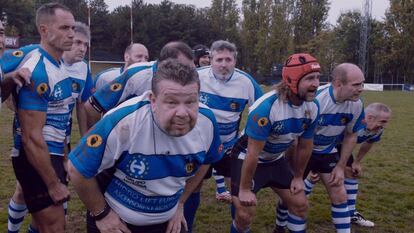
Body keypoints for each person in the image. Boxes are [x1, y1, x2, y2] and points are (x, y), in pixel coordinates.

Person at [68, 59, 223, 233]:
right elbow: (76, 169)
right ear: (153, 100)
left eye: (190, 102)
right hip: (118, 222)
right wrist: (101, 214)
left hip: (167, 222)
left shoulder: (207, 122)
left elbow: (206, 161)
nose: (182, 113)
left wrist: (181, 202)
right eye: (171, 102)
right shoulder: (122, 122)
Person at [7, 21, 94, 233]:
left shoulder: (84, 69)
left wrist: (84, 140)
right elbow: (12, 96)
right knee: (26, 193)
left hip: (60, 141)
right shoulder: (43, 61)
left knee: (51, 210)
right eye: (78, 42)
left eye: (86, 44)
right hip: (33, 139)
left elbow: (81, 105)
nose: (82, 48)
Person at [231, 53, 320, 233]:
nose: (316, 84)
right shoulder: (266, 107)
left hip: (275, 159)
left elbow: (305, 145)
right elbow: (252, 153)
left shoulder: (313, 106)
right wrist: (245, 188)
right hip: (247, 158)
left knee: (300, 205)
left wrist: (297, 177)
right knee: (244, 215)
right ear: (291, 80)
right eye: (310, 78)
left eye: (318, 78)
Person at [184, 40, 263, 232]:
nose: (224, 64)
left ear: (235, 61)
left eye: (229, 59)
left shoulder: (246, 82)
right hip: (199, 146)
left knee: (239, 195)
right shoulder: (196, 77)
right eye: (219, 59)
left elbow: (262, 112)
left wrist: (245, 139)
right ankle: (186, 227)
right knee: (192, 189)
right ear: (211, 60)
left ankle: (239, 227)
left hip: (229, 148)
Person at [10, 3, 75, 233]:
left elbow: (63, 122)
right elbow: (31, 137)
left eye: (73, 28)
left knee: (42, 224)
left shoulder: (58, 64)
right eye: (64, 27)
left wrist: (66, 158)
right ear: (44, 30)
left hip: (53, 155)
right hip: (34, 159)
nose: (71, 34)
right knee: (54, 226)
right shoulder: (38, 69)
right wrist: (53, 184)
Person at [280, 102, 392, 229]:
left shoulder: (378, 130)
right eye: (383, 121)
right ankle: (293, 207)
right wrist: (315, 164)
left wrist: (357, 162)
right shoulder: (352, 124)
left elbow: (369, 142)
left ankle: (351, 213)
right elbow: (315, 137)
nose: (385, 125)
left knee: (351, 173)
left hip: (340, 147)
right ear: (370, 118)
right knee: (309, 178)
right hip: (319, 146)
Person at [302, 63, 365, 233]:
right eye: (356, 85)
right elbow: (297, 136)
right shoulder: (316, 101)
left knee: (340, 194)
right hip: (303, 152)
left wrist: (340, 166)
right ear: (338, 83)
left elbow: (351, 135)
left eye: (362, 84)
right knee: (295, 198)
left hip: (327, 152)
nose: (361, 89)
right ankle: (280, 226)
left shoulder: (357, 104)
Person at [85, 41, 195, 128]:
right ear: (165, 63)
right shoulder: (137, 74)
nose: (187, 74)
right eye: (182, 68)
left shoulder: (191, 79)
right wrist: (95, 139)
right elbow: (92, 106)